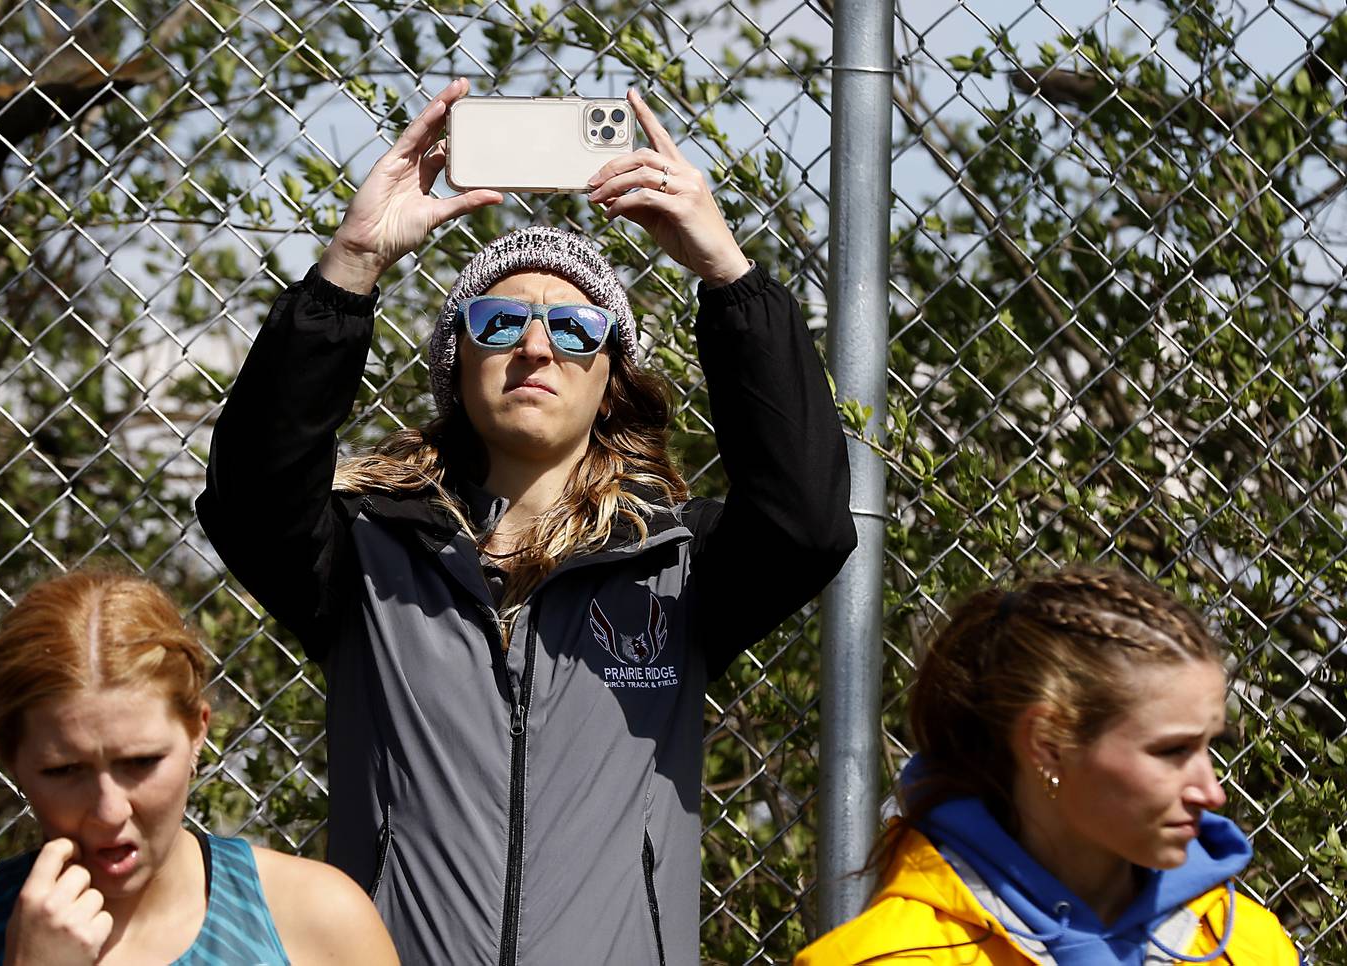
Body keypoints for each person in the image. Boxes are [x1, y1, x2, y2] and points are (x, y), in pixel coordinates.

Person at [196, 78, 855, 964]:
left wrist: (726, 273)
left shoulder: (677, 565)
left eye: (576, 327)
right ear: (456, 360)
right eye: (501, 320)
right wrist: (350, 265)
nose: (537, 346)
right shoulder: (366, 553)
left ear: (611, 373)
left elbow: (806, 521)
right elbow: (249, 499)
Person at [795, 567, 1298, 965]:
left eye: (1211, 746)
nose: (1213, 794)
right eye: (1172, 752)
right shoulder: (890, 958)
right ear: (1048, 744)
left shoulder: (1252, 948)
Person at [0, 569, 400, 965]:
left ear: (197, 733)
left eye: (140, 762)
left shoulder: (316, 918)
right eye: (65, 770)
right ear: (11, 758)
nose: (109, 811)